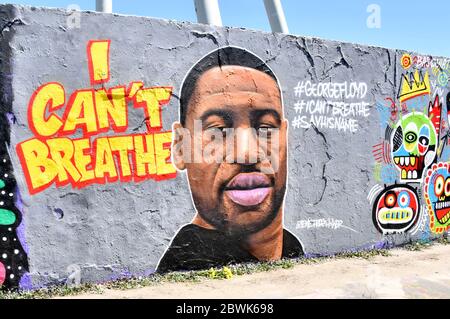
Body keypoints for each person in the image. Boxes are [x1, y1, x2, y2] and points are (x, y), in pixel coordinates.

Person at [157, 46, 303, 273]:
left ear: (285, 137)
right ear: (180, 147)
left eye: (265, 128)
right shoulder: (189, 269)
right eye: (218, 130)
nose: (247, 153)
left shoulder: (291, 248)